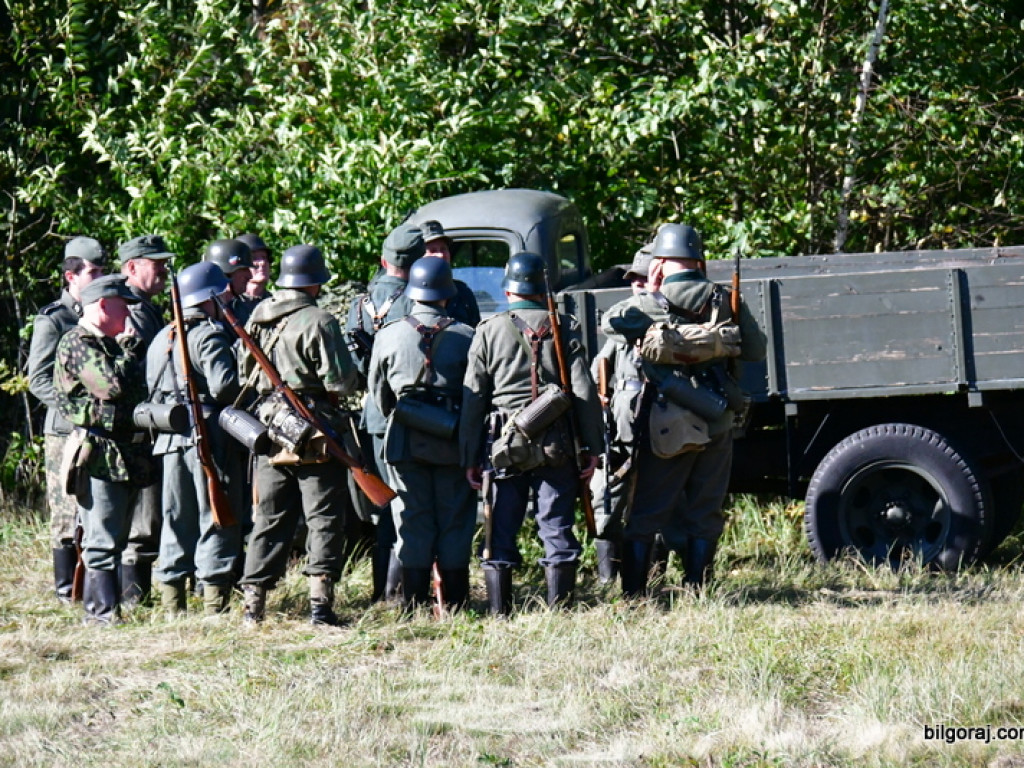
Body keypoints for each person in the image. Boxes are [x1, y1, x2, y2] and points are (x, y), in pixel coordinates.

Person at [600, 224, 767, 595]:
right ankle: (698, 589)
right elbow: (756, 351)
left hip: (667, 423)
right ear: (699, 259)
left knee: (646, 513)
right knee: (706, 511)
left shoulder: (650, 301)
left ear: (660, 262)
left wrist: (653, 291)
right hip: (717, 417)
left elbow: (609, 323)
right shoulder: (724, 298)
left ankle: (635, 595)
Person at [460, 252, 602, 614]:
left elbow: (473, 400)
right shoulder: (563, 325)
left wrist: (470, 455)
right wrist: (592, 446)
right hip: (557, 443)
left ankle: (500, 612)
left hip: (504, 445)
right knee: (556, 527)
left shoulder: (488, 330)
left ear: (508, 290)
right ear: (542, 289)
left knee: (499, 529)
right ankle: (560, 611)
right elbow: (584, 391)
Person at [239, 244, 358, 626]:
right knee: (323, 517)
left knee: (269, 518)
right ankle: (320, 607)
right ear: (315, 281)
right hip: (313, 431)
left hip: (270, 428)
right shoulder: (320, 320)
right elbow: (341, 382)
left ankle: (253, 607)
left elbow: (244, 375)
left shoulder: (258, 316)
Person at [367, 258, 476, 611]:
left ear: (412, 293)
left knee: (411, 518)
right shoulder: (467, 336)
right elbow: (476, 396)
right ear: (447, 294)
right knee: (455, 519)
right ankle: (456, 604)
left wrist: (410, 414)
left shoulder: (388, 335)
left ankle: (412, 605)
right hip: (452, 440)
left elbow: (379, 396)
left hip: (404, 440)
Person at [53, 275, 153, 624]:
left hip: (124, 451)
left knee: (120, 535)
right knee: (102, 537)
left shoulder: (109, 344)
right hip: (98, 452)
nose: (128, 314)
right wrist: (128, 351)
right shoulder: (78, 342)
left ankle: (112, 610)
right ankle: (99, 614)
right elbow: (109, 387)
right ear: (103, 305)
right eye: (123, 306)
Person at [146, 262, 244, 616]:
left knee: (176, 520)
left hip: (169, 439)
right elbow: (225, 388)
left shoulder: (161, 337)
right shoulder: (208, 334)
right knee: (217, 516)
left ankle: (173, 606)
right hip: (207, 440)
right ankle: (215, 606)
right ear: (210, 298)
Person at [345, 225, 425, 603]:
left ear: (383, 260)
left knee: (384, 505)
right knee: (409, 503)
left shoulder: (359, 304)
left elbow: (352, 369)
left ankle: (383, 589)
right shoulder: (416, 302)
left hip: (372, 416)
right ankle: (402, 590)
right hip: (410, 415)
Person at [27, 237, 106, 603]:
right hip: (65, 431)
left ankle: (91, 586)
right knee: (65, 511)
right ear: (71, 276)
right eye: (93, 272)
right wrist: (74, 410)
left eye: (101, 271)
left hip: (98, 427)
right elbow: (38, 378)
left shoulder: (101, 313)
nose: (99, 278)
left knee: (96, 508)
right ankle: (65, 592)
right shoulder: (54, 319)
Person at [589, 243, 653, 585]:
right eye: (633, 279)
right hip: (622, 429)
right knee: (606, 499)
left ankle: (652, 575)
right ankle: (607, 578)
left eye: (644, 278)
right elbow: (599, 371)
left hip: (662, 425)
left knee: (659, 504)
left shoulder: (670, 317)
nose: (637, 284)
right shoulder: (621, 322)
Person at [118, 234, 175, 605]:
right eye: (157, 265)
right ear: (132, 267)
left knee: (150, 513)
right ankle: (133, 597)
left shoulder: (147, 308)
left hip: (150, 422)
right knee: (143, 515)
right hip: (138, 427)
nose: (164, 271)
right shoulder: (134, 311)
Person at [419, 220, 481, 327]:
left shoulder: (463, 293)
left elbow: (477, 331)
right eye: (433, 251)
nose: (440, 255)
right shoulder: (410, 294)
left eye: (443, 249)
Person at [237, 233, 273, 301]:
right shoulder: (229, 303)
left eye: (264, 257)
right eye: (254, 258)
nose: (262, 262)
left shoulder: (275, 303)